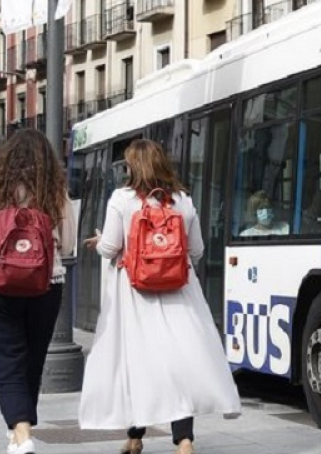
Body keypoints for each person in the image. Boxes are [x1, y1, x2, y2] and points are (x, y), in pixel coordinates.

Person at [79, 139, 240, 454]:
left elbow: (111, 248)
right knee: (178, 364)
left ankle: (136, 437)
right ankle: (185, 440)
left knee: (139, 364)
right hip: (180, 293)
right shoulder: (182, 200)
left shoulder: (121, 199)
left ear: (132, 167)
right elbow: (197, 251)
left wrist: (98, 242)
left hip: (135, 296)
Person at [0, 128, 77, 454]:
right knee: (32, 363)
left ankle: (21, 434)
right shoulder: (54, 190)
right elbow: (67, 242)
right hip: (45, 286)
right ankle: (22, 431)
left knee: (8, 361)